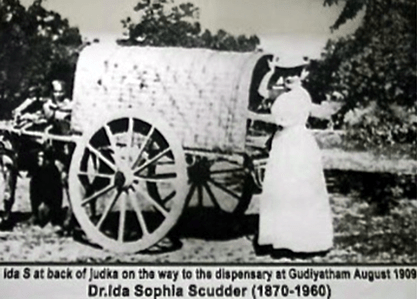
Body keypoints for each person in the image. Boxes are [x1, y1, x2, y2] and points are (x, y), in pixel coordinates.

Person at [251, 57, 334, 258]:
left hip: (296, 143)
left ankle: (302, 241)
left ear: (302, 74)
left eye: (294, 73)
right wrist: (271, 73)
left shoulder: (300, 96)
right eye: (285, 73)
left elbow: (283, 120)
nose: (289, 77)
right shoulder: (283, 94)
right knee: (282, 189)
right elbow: (262, 92)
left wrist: (260, 118)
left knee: (298, 189)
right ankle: (282, 239)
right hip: (282, 143)